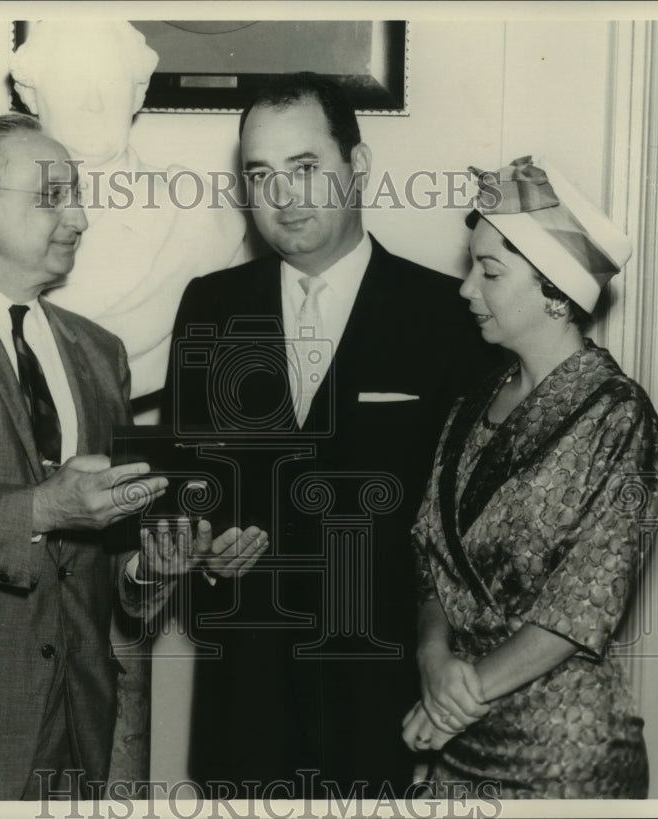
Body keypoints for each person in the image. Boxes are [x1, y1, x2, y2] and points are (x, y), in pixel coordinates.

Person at [0, 113, 267, 801]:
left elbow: (108, 562)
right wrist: (44, 505)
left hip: (74, 722)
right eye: (54, 195)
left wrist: (150, 568)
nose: (80, 218)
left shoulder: (100, 354)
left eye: (78, 194)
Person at [163, 73, 492, 797]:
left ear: (359, 167)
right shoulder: (211, 308)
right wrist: (204, 554)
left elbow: (467, 531)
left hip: (393, 715)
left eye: (305, 168)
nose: (283, 198)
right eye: (261, 175)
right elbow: (186, 486)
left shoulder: (447, 318)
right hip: (243, 714)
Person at [402, 156, 658, 798]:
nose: (467, 288)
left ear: (557, 291)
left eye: (489, 271)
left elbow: (581, 607)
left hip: (565, 758)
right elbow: (428, 558)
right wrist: (431, 657)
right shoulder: (473, 403)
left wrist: (449, 702)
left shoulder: (618, 417)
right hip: (461, 743)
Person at [0, 21, 247, 416]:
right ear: (31, 95)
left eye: (110, 82)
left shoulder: (203, 217)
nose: (93, 102)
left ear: (137, 94)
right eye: (71, 81)